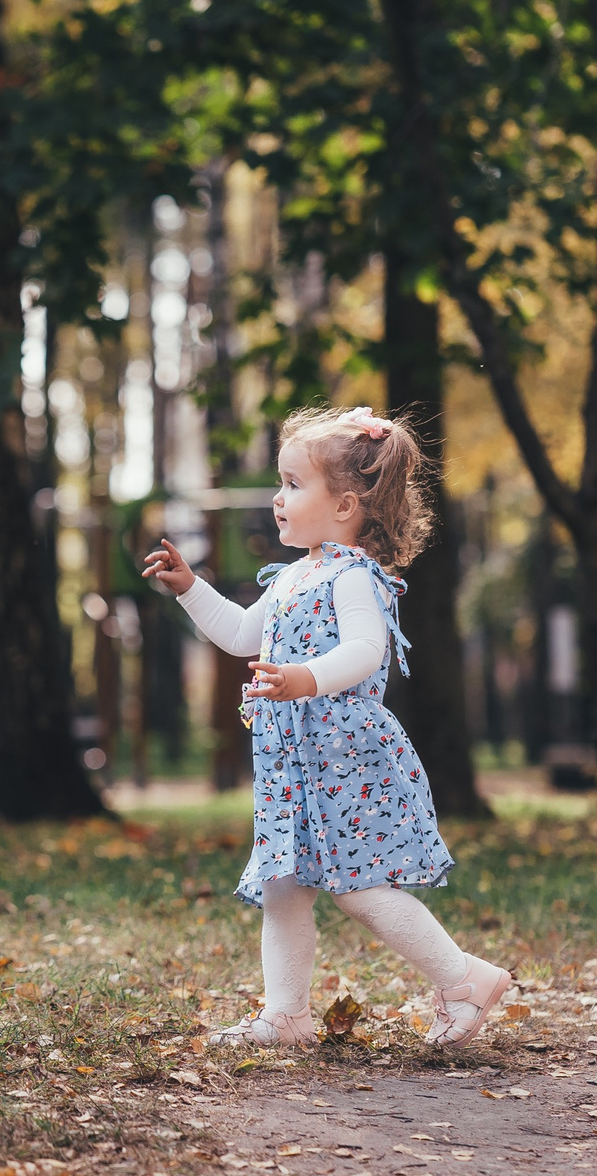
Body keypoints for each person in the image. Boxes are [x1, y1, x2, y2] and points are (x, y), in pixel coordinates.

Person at [142, 404, 511, 1048]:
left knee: (360, 888)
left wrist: (303, 678)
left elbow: (366, 650)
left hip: (345, 759)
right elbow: (241, 633)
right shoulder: (293, 576)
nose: (278, 499)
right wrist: (191, 588)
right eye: (281, 483)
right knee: (283, 887)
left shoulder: (352, 576)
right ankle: (286, 1017)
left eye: (293, 484)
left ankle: (466, 979)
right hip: (293, 766)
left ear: (344, 506)